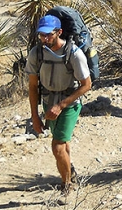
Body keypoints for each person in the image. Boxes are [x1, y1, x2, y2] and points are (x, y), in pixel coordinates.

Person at [26, 14, 92, 195]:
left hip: (69, 105)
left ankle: (67, 185)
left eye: (49, 35)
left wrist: (61, 105)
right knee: (63, 144)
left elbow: (86, 85)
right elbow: (33, 86)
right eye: (41, 35)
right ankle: (70, 171)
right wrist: (34, 116)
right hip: (48, 103)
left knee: (57, 146)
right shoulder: (36, 53)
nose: (45, 39)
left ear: (59, 32)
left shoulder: (74, 54)